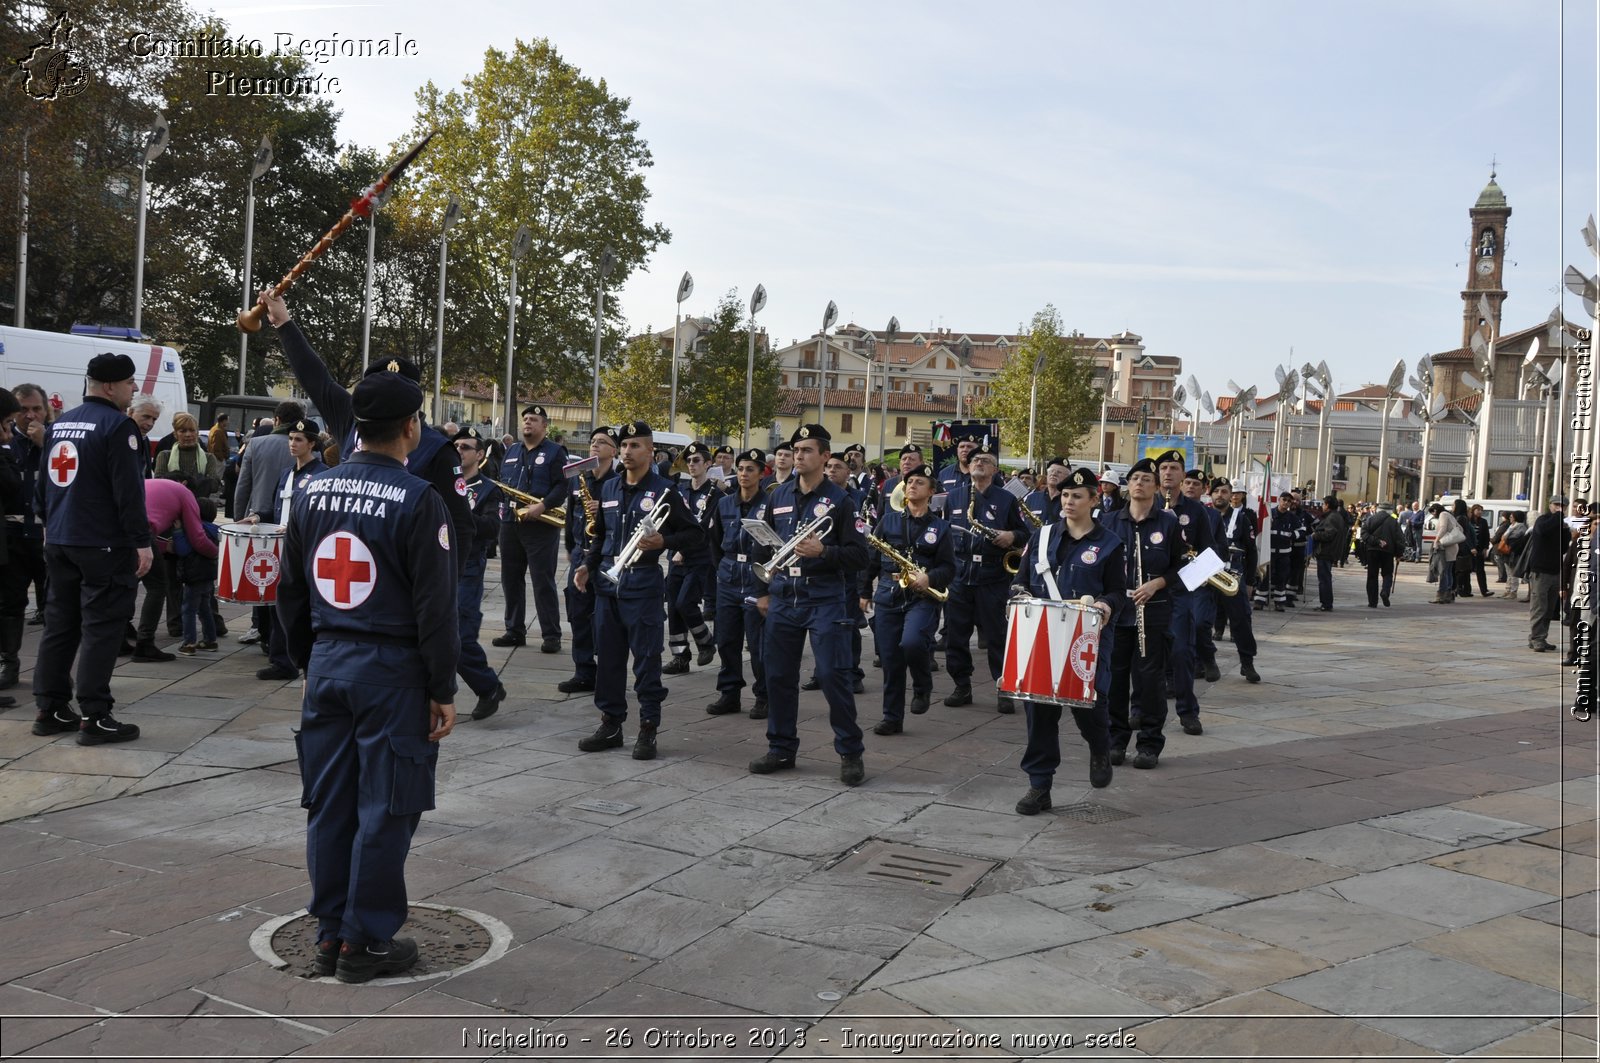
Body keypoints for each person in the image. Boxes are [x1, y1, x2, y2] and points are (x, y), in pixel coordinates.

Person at [278, 370, 457, 984]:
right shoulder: (418, 499)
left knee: (328, 805)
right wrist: (442, 688)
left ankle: (330, 932)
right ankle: (365, 942)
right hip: (393, 673)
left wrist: (308, 662)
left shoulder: (311, 491)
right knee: (386, 808)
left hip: (328, 662)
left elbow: (290, 592)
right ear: (410, 428)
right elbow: (437, 607)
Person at [32, 353, 153, 743]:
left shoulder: (60, 424)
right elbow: (128, 492)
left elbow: (41, 488)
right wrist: (142, 542)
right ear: (109, 387)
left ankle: (49, 708)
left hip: (61, 538)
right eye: (130, 383)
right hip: (102, 543)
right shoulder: (119, 427)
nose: (134, 389)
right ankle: (95, 715)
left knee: (60, 625)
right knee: (103, 629)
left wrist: (52, 524)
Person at [747, 424, 871, 785]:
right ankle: (781, 747)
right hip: (785, 595)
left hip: (824, 598)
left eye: (806, 450)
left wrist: (825, 551)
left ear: (825, 457)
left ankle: (850, 752)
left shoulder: (843, 501)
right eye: (795, 450)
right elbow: (761, 544)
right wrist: (763, 591)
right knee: (779, 676)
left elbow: (859, 556)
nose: (798, 456)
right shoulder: (778, 495)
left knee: (834, 676)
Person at [572, 421, 702, 760]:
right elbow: (600, 535)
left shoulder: (665, 492)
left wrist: (665, 541)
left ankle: (648, 728)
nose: (628, 451)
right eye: (625, 446)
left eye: (635, 446)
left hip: (643, 586)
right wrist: (587, 564)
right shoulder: (610, 488)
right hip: (607, 587)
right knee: (609, 661)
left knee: (646, 662)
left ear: (650, 451)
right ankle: (611, 723)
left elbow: (694, 535)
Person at [1009, 467, 1123, 814]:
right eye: (1065, 495)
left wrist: (1105, 605)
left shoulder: (1109, 544)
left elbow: (1118, 591)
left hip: (1086, 638)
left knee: (1090, 706)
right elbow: (1021, 579)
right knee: (1040, 711)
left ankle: (1099, 746)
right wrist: (1017, 594)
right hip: (1042, 634)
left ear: (1093, 500)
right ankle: (1039, 785)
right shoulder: (1043, 537)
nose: (1069, 501)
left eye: (1077, 496)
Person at [862, 461, 954, 735]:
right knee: (890, 659)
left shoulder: (941, 527)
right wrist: (864, 591)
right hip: (889, 594)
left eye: (919, 483)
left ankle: (922, 685)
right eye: (909, 483)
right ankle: (892, 718)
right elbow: (871, 559)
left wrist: (930, 578)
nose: (912, 486)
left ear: (931, 492)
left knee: (913, 642)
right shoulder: (888, 521)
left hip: (922, 596)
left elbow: (949, 567)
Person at [1102, 458, 1182, 768]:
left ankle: (1149, 742)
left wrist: (1158, 583)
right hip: (1118, 611)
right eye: (1135, 478)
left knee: (1150, 680)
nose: (1140, 483)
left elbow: (1181, 567)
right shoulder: (1109, 521)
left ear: (1156, 486)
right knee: (1115, 678)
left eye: (1146, 479)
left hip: (1154, 610)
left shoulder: (1168, 523)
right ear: (1127, 484)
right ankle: (1115, 740)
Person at [944, 438, 1031, 712]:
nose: (979, 463)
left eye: (985, 461)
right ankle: (961, 685)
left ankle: (1003, 686)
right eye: (975, 461)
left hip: (992, 575)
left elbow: (1025, 534)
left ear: (995, 470)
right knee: (956, 635)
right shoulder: (954, 496)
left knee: (997, 636)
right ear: (968, 468)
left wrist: (1011, 535)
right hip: (960, 574)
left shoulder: (1006, 499)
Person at [255, 419, 330, 682]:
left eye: (298, 439)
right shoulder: (287, 474)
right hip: (281, 548)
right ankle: (281, 661)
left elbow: (323, 516)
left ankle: (307, 658)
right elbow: (277, 510)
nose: (292, 444)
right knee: (280, 605)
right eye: (290, 439)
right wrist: (257, 516)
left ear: (311, 443)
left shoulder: (323, 474)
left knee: (304, 606)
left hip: (306, 548)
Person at [493, 405, 569, 653]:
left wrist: (543, 505)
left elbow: (562, 487)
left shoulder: (555, 452)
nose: (527, 422)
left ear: (545, 426)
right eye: (525, 418)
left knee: (542, 580)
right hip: (510, 523)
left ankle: (551, 635)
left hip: (541, 525)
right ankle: (514, 630)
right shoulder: (512, 450)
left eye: (533, 419)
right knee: (510, 579)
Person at [705, 448, 773, 719]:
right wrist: (723, 569)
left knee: (758, 644)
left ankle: (763, 696)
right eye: (741, 469)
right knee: (727, 640)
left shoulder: (770, 504)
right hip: (729, 576)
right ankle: (729, 693)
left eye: (750, 470)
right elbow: (715, 542)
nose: (744, 474)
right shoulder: (724, 504)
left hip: (756, 577)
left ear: (760, 474)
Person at [1154, 450, 1214, 735]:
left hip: (1179, 591)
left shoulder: (1195, 510)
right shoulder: (1145, 503)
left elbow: (1213, 551)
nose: (1168, 472)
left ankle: (1188, 711)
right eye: (1163, 467)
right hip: (1148, 590)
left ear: (1182, 474)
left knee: (1181, 652)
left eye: (1174, 468)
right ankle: (1141, 711)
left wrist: (1193, 580)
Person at [233, 399, 302, 648]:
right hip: (292, 522)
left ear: (277, 420)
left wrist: (237, 518)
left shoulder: (257, 443)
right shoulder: (307, 446)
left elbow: (244, 485)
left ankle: (262, 630)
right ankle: (282, 634)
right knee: (288, 578)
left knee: (261, 575)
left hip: (258, 519)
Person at [451, 428, 507, 720]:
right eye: (456, 445)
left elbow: (491, 529)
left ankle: (488, 686)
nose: (459, 450)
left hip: (468, 568)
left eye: (466, 447)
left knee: (460, 636)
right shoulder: (445, 483)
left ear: (480, 455)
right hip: (439, 564)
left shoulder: (488, 489)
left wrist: (461, 515)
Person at [558, 426, 619, 696]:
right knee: (578, 613)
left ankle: (606, 673)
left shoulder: (618, 483)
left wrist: (603, 508)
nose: (595, 446)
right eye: (593, 441)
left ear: (614, 451)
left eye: (602, 442)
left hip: (605, 557)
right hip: (581, 552)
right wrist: (571, 547)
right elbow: (570, 516)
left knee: (604, 619)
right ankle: (583, 671)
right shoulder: (578, 479)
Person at [0, 384, 48, 686]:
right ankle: (10, 664)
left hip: (47, 534)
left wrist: (46, 445)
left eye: (36, 409)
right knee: (10, 603)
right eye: (23, 409)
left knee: (55, 605)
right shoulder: (6, 441)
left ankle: (51, 667)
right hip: (13, 532)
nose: (29, 416)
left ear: (46, 410)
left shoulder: (56, 441)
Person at [662, 442, 718, 675]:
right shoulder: (679, 491)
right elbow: (670, 521)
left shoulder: (716, 494)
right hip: (676, 557)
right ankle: (680, 656)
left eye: (697, 461)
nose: (691, 465)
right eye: (689, 461)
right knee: (674, 606)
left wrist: (682, 549)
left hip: (699, 558)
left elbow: (706, 528)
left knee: (686, 602)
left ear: (707, 464)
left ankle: (705, 642)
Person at [1212, 483, 1261, 682]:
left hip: (1232, 575)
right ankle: (1201, 660)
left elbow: (1251, 551)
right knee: (1197, 620)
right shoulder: (1202, 515)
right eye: (1216, 491)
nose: (1220, 495)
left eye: (1224, 491)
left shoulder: (1241, 519)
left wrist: (1250, 581)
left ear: (1231, 495)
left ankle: (1247, 662)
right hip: (1204, 575)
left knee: (1241, 619)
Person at [1520, 495, 1569, 652]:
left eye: (1562, 506)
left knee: (1549, 609)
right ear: (1550, 505)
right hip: (1540, 571)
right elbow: (1542, 531)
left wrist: (1564, 529)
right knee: (1539, 607)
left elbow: (1564, 546)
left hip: (1555, 571)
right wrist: (1557, 517)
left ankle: (1540, 637)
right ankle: (1537, 638)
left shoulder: (1561, 524)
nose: (1559, 508)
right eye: (1556, 505)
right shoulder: (1543, 520)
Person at [176, 497, 222, 655]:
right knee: (205, 608)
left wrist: (177, 532)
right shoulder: (216, 530)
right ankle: (210, 640)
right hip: (208, 575)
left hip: (193, 575)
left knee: (188, 609)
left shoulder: (194, 530)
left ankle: (189, 643)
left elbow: (183, 550)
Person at [155, 412, 221, 495]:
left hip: (198, 505)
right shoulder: (164, 456)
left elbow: (214, 486)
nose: (188, 434)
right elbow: (158, 483)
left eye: (192, 430)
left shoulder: (209, 458)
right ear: (175, 434)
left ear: (197, 433)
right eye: (183, 431)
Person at [1361, 502, 1403, 608]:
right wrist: (1399, 554)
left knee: (1372, 576)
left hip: (1372, 550)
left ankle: (1372, 601)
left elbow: (1364, 534)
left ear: (1378, 510)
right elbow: (1400, 540)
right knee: (1387, 573)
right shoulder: (1394, 522)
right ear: (1390, 511)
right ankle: (1385, 591)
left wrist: (1375, 541)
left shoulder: (1370, 519)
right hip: (1388, 551)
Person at [1311, 495, 1346, 611]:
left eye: (1323, 504)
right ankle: (1326, 602)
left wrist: (1315, 535)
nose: (1322, 506)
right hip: (1329, 551)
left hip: (1326, 551)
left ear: (1327, 505)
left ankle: (1326, 603)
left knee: (1324, 578)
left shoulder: (1332, 518)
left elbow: (1329, 534)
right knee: (1325, 578)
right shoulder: (1335, 516)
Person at [1430, 502, 1462, 603]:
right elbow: (1461, 529)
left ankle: (1441, 595)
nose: (1433, 515)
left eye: (1432, 512)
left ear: (1435, 510)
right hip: (1453, 546)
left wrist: (1437, 540)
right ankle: (1448, 594)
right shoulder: (1450, 515)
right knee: (1448, 571)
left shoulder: (1443, 514)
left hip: (1447, 546)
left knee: (1443, 571)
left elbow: (1443, 528)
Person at [127, 395, 161, 479]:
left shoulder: (145, 441)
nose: (150, 423)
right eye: (146, 417)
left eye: (154, 419)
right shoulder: (118, 438)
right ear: (131, 412)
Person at [1499, 510, 1530, 600]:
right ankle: (1508, 590)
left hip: (1513, 552)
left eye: (1512, 517)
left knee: (1513, 573)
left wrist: (1506, 537)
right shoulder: (1511, 526)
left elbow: (1512, 538)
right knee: (1508, 573)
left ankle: (1513, 591)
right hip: (1507, 552)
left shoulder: (1520, 527)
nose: (1510, 518)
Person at [1469, 504, 1493, 598]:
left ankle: (1484, 590)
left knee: (1480, 570)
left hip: (1479, 549)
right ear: (1473, 510)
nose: (1480, 512)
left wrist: (1485, 548)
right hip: (1469, 549)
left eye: (1481, 510)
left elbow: (1486, 535)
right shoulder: (1468, 521)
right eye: (1478, 510)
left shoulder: (1483, 521)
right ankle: (1463, 589)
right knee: (1466, 569)